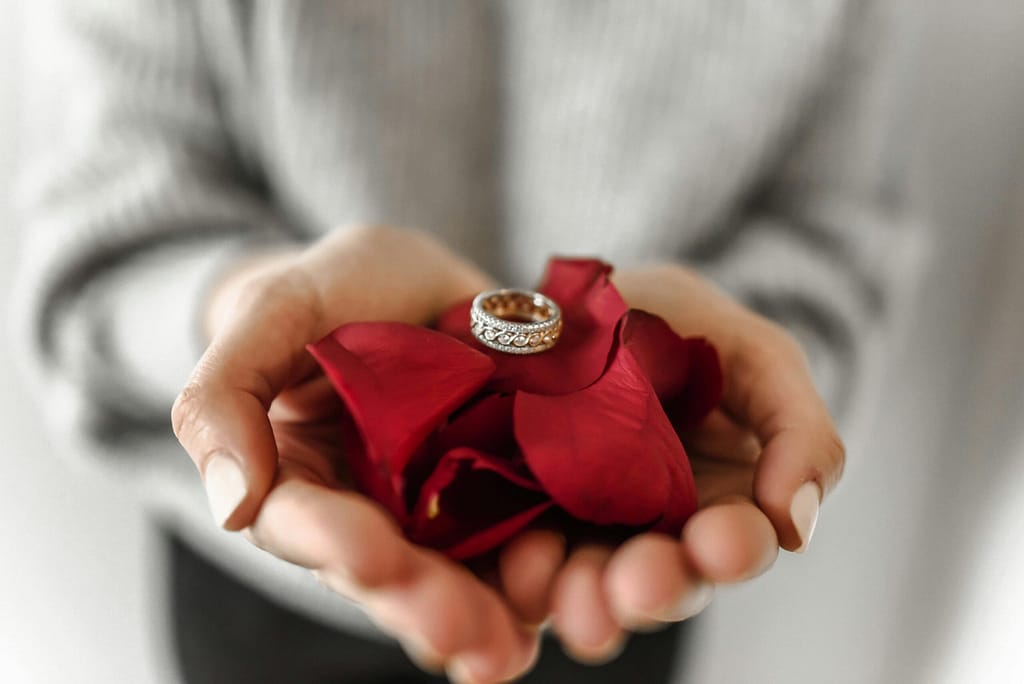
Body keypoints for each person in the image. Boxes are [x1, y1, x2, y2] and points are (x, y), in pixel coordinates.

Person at [13, 2, 917, 682]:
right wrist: (248, 317)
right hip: (265, 582)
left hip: (625, 552)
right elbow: (109, 221)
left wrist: (742, 360)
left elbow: (828, 237)